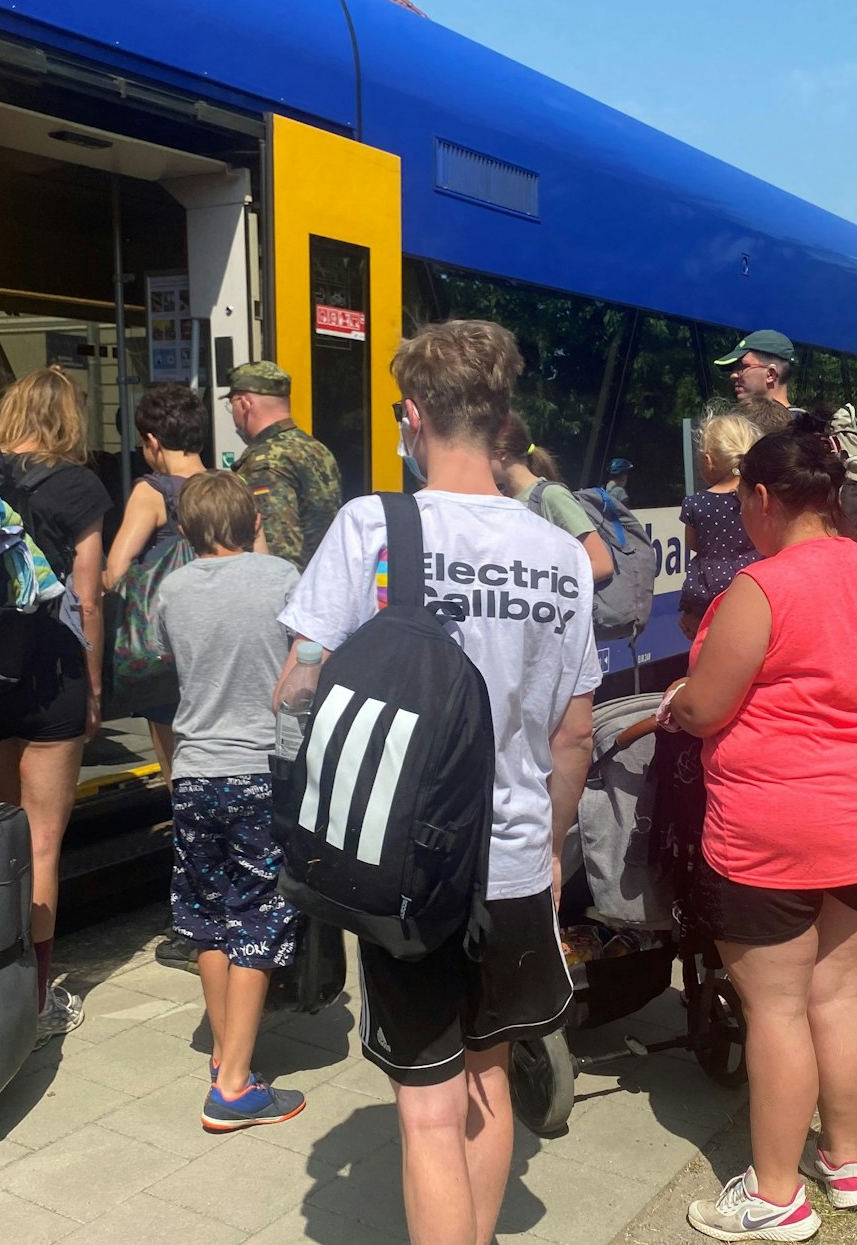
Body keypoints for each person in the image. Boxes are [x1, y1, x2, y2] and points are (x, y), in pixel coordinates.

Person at [277, 320, 597, 1245]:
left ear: (413, 416)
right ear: (502, 420)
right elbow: (573, 733)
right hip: (512, 861)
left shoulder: (373, 525)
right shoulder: (563, 557)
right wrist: (545, 846)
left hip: (408, 868)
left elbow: (296, 684)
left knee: (424, 1108)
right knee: (490, 1074)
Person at [662, 416, 857, 1242]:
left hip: (774, 822)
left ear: (764, 497)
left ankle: (775, 1196)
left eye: (744, 502)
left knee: (775, 1007)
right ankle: (843, 1159)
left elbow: (704, 706)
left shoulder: (761, 588)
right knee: (841, 987)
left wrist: (682, 703)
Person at [0, 368, 111, 1044]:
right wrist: (95, 684)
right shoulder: (80, 485)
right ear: (72, 418)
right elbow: (88, 596)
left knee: (3, 831)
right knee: (43, 840)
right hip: (50, 671)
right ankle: (37, 996)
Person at [151, 471, 306, 1130]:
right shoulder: (283, 580)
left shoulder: (173, 587)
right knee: (260, 916)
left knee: (209, 915)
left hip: (193, 774)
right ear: (254, 523)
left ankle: (224, 1054)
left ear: (186, 530)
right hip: (259, 770)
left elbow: (167, 656)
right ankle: (235, 1088)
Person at [101, 382, 209, 777]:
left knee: (176, 772)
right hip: (220, 647)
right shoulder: (230, 487)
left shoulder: (154, 491)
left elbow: (115, 573)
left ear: (152, 441)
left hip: (169, 653)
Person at [225, 361, 342, 570]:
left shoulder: (264, 464)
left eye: (231, 405)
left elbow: (278, 554)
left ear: (244, 404)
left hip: (292, 594)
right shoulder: (315, 448)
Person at [490, 410, 614, 585]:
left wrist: (542, 586)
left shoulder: (552, 496)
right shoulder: (504, 499)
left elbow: (602, 564)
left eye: (481, 452)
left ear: (501, 453)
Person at [678, 414, 763, 639]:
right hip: (753, 583)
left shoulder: (696, 503)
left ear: (708, 460)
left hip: (710, 591)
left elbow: (693, 544)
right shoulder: (758, 495)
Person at [713, 329, 797, 412]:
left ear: (771, 374)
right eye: (733, 369)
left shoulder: (802, 424)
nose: (733, 375)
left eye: (742, 367)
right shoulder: (738, 424)